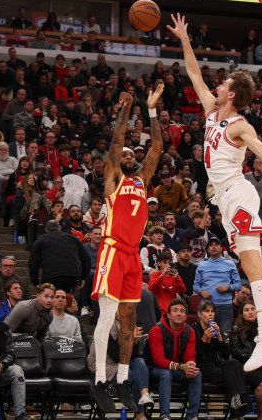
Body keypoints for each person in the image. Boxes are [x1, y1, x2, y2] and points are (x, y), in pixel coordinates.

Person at [169, 12, 262, 376]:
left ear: (231, 93)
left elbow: (260, 149)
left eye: (223, 83)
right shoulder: (213, 112)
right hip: (225, 200)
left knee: (252, 265)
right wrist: (184, 38)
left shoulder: (240, 123)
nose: (216, 85)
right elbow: (195, 74)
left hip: (239, 193)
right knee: (254, 267)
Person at [90, 85, 164, 412]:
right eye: (126, 155)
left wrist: (150, 110)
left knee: (128, 318)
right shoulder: (114, 178)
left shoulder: (142, 181)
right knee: (107, 317)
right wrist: (126, 109)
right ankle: (99, 381)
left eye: (135, 154)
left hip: (133, 255)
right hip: (112, 250)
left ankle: (121, 379)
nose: (130, 156)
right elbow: (117, 140)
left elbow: (158, 146)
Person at [192, 300, 251, 418]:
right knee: (236, 375)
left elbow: (226, 354)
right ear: (199, 314)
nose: (210, 314)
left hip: (217, 365)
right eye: (206, 311)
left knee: (234, 364)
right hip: (201, 367)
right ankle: (239, 404)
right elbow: (194, 356)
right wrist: (203, 340)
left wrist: (220, 338)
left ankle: (236, 399)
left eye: (212, 311)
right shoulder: (193, 330)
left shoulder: (216, 328)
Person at [148, 298, 202, 420]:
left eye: (182, 311)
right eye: (175, 310)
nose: (179, 313)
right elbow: (159, 360)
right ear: (169, 315)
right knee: (166, 374)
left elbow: (190, 355)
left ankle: (192, 416)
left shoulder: (190, 331)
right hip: (155, 368)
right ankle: (165, 415)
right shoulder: (156, 330)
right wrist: (182, 366)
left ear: (185, 316)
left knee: (196, 374)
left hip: (177, 368)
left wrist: (190, 366)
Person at [230, 302, 262, 420]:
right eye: (246, 310)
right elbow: (236, 352)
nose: (250, 312)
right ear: (242, 314)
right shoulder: (236, 329)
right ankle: (261, 413)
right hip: (248, 366)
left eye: (252, 309)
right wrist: (257, 349)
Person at [193, 236, 241, 332]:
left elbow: (238, 284)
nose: (213, 247)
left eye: (216, 245)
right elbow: (195, 285)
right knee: (206, 334)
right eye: (211, 245)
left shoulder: (230, 263)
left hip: (225, 306)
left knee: (225, 335)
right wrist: (201, 291)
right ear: (207, 249)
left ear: (221, 248)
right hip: (207, 306)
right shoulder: (202, 265)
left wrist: (228, 287)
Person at [29, 220, 91, 292]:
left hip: (51, 276)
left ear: (46, 229)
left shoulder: (40, 240)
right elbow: (86, 259)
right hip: (72, 276)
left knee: (52, 299)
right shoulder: (73, 238)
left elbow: (33, 262)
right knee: (68, 300)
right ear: (60, 228)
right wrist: (83, 277)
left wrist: (35, 282)